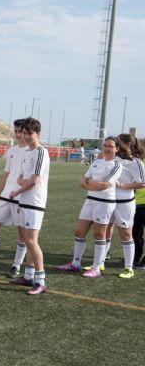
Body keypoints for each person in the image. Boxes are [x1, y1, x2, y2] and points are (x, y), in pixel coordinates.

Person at [56, 137, 122, 279]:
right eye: (105, 145)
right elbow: (82, 180)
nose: (107, 148)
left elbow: (105, 185)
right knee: (79, 231)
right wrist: (92, 184)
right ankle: (75, 263)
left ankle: (96, 267)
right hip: (90, 200)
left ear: (117, 149)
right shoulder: (97, 162)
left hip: (104, 203)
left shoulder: (117, 165)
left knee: (99, 234)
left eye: (110, 146)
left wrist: (90, 183)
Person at [8, 118, 51, 294]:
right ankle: (28, 276)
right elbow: (20, 178)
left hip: (35, 202)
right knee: (27, 241)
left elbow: (33, 181)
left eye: (29, 134)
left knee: (32, 241)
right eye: (24, 133)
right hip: (25, 201)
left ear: (38, 134)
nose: (25, 137)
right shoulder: (27, 153)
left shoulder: (41, 152)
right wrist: (20, 196)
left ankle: (40, 281)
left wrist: (17, 192)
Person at [0, 119, 28, 278]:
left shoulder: (32, 151)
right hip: (5, 196)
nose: (17, 134)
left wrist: (25, 199)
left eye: (20, 131)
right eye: (15, 131)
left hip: (21, 198)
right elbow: (6, 175)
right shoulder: (12, 150)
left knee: (23, 234)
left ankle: (16, 266)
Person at [96, 134, 145, 279]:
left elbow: (141, 183)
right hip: (108, 200)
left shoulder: (136, 162)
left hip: (125, 203)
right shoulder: (113, 160)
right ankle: (101, 261)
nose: (115, 146)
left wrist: (123, 186)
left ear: (128, 144)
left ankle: (129, 268)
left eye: (118, 143)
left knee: (126, 234)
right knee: (105, 229)